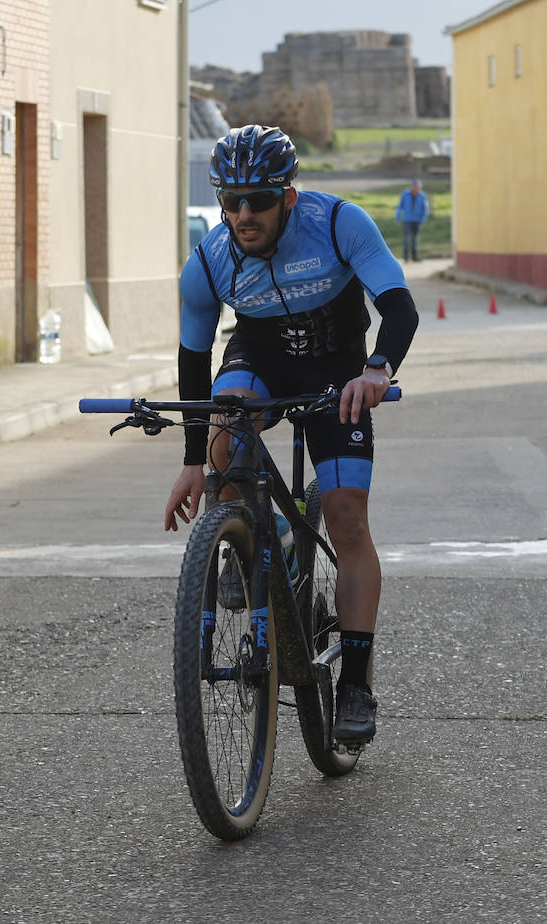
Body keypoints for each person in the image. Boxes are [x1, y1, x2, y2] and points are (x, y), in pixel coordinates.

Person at [166, 125, 419, 749]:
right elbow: (194, 361)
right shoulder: (207, 264)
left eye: (258, 199)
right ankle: (256, 532)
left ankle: (356, 683)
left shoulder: (339, 223)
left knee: (347, 520)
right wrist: (193, 461)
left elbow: (399, 305)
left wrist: (376, 370)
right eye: (231, 200)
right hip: (261, 358)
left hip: (337, 368)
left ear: (289, 196)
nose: (243, 214)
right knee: (226, 420)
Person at [394, 178, 430, 262]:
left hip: (417, 221)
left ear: (420, 188)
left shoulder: (422, 196)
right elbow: (400, 206)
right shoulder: (405, 194)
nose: (416, 188)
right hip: (407, 220)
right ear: (412, 187)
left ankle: (414, 257)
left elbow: (426, 209)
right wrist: (397, 217)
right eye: (415, 186)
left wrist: (423, 219)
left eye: (418, 187)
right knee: (407, 239)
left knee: (415, 239)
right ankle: (406, 257)